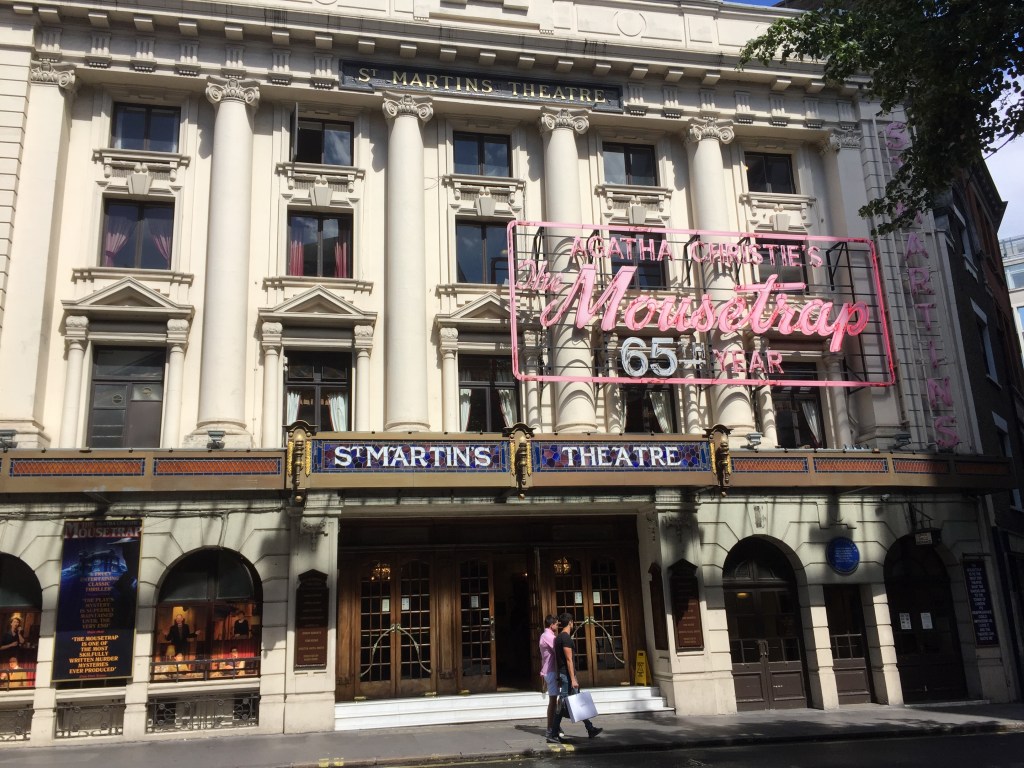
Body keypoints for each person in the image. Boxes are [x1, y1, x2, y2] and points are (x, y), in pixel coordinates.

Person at [550, 612, 602, 742]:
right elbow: (568, 660)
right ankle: (553, 733)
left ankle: (590, 728)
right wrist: (572, 679)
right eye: (573, 622)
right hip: (567, 676)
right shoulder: (566, 638)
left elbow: (558, 659)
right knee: (562, 704)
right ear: (571, 622)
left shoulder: (558, 638)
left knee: (578, 701)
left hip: (564, 674)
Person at [538, 614, 563, 742]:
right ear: (551, 624)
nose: (557, 626)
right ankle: (549, 730)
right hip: (551, 671)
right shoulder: (548, 636)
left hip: (549, 671)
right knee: (553, 701)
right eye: (557, 624)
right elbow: (559, 650)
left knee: (556, 700)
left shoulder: (545, 635)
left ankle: (555, 726)